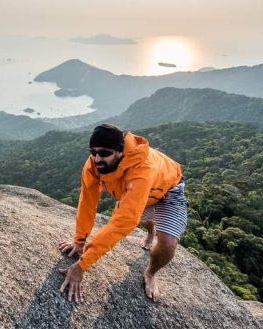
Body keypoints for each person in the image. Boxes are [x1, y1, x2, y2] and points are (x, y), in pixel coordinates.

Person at [59, 124, 188, 302]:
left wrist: (81, 265)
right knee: (143, 218)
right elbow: (87, 202)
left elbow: (124, 222)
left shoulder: (142, 169)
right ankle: (151, 231)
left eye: (104, 153)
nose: (97, 158)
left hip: (168, 189)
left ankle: (150, 273)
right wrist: (79, 240)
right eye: (93, 152)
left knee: (167, 243)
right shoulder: (93, 165)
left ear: (119, 152)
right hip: (134, 191)